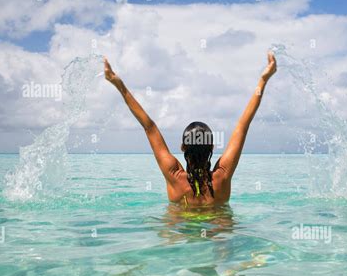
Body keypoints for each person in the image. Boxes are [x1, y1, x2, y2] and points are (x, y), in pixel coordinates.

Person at [104, 51, 277, 207]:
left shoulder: (174, 177)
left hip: (179, 234)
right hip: (219, 236)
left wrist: (119, 84)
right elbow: (242, 127)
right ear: (211, 147)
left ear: (183, 147)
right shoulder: (222, 177)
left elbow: (149, 127)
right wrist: (263, 80)